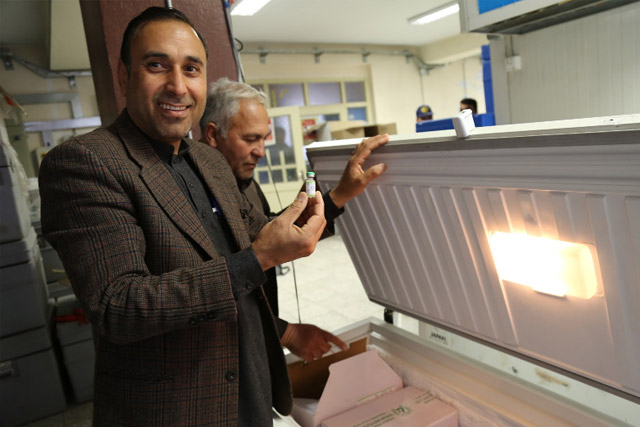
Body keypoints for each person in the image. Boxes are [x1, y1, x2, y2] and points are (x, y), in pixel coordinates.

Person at [39, 7, 328, 426]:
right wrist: (258, 259)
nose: (178, 86)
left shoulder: (209, 161)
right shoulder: (86, 163)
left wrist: (337, 194)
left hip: (248, 389)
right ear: (124, 75)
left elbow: (260, 233)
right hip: (175, 410)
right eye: (157, 65)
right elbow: (118, 305)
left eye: (191, 69)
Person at [198, 78, 389, 360]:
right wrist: (285, 332)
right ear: (213, 135)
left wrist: (333, 198)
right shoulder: (195, 196)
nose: (261, 151)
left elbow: (266, 235)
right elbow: (206, 295)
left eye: (264, 138)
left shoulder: (243, 181)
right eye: (251, 139)